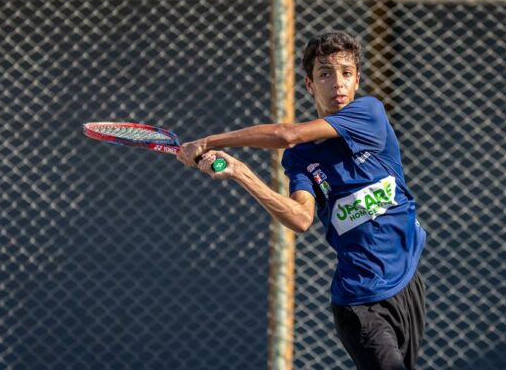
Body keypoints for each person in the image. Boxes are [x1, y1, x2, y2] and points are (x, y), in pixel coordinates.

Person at [177, 31, 426, 370]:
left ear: (356, 81)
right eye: (325, 73)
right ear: (310, 84)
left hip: (407, 283)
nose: (337, 82)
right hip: (360, 301)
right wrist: (240, 172)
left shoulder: (369, 114)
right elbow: (300, 218)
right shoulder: (301, 159)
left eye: (346, 72)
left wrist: (208, 140)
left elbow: (286, 134)